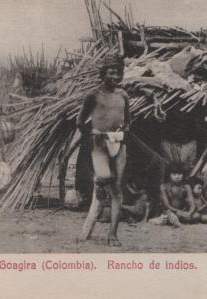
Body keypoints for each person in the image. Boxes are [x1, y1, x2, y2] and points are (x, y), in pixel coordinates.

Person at [76, 54, 130, 246]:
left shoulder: (123, 95)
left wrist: (124, 131)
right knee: (104, 177)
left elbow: (128, 120)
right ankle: (99, 183)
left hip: (119, 143)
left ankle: (113, 234)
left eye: (118, 72)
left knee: (117, 189)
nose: (114, 76)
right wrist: (93, 134)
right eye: (111, 72)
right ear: (103, 73)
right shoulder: (93, 95)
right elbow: (80, 121)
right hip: (99, 143)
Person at [159, 162, 196, 227]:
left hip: (182, 211)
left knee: (196, 216)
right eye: (174, 174)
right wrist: (176, 211)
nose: (177, 176)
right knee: (170, 215)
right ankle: (177, 222)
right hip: (170, 211)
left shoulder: (186, 186)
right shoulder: (164, 186)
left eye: (180, 174)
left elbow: (192, 203)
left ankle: (178, 220)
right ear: (169, 175)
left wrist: (189, 212)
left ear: (183, 174)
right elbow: (166, 204)